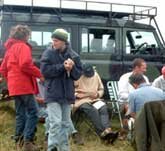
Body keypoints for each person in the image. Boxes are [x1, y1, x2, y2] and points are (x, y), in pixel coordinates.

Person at [0, 25, 44, 151]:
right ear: (25, 36)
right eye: (28, 35)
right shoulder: (23, 47)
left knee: (21, 114)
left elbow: (2, 69)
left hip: (14, 87)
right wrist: (40, 74)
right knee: (34, 112)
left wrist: (11, 81)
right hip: (24, 86)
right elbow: (25, 64)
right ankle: (28, 142)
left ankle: (18, 140)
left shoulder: (10, 49)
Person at [40, 28, 82, 151]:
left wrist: (72, 68)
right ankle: (52, 148)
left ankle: (64, 148)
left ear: (64, 41)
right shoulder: (48, 53)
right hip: (52, 93)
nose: (54, 43)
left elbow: (77, 75)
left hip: (67, 94)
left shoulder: (74, 55)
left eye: (57, 40)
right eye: (53, 40)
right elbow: (45, 71)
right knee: (55, 123)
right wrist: (62, 67)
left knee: (65, 124)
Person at [73, 63, 118, 142]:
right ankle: (102, 133)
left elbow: (101, 89)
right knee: (92, 110)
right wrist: (77, 95)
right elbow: (70, 90)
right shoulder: (76, 76)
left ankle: (107, 130)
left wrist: (98, 94)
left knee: (103, 108)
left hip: (94, 99)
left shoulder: (96, 75)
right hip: (81, 100)